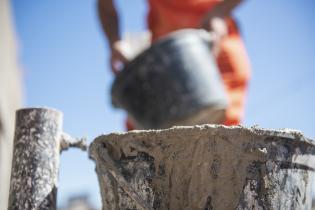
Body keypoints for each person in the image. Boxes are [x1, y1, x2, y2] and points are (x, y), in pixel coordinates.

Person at [98, 0, 251, 129]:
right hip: (166, 54)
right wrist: (114, 41)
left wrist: (220, 12)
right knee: (144, 132)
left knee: (226, 124)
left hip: (216, 40)